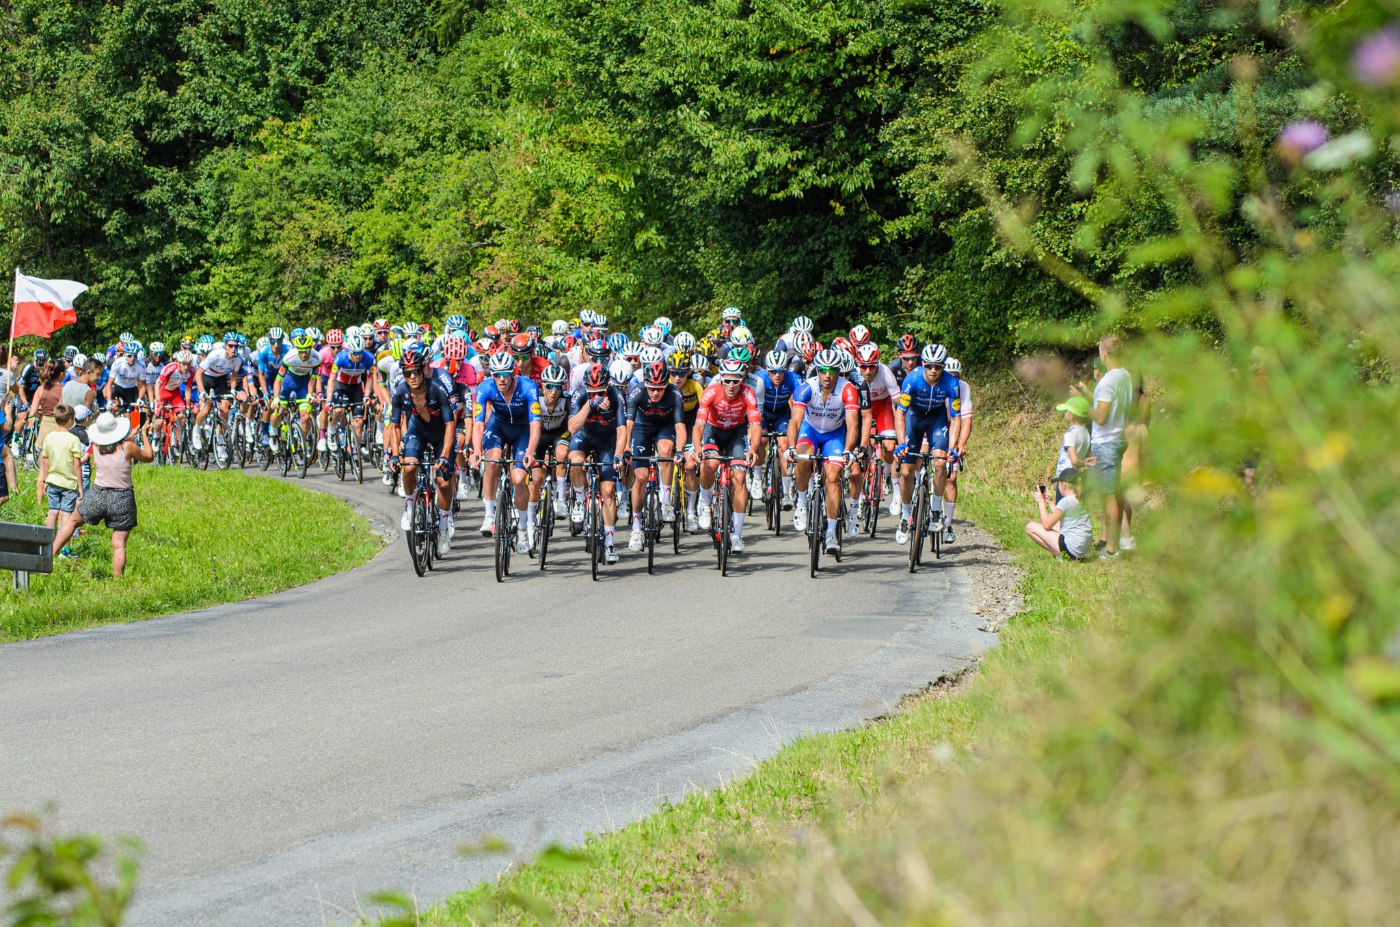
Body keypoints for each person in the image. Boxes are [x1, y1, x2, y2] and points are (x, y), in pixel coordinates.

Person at [51, 412, 155, 577]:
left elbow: (114, 444)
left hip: (98, 494)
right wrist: (143, 434)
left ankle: (48, 558)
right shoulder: (128, 447)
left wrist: (129, 437)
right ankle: (118, 581)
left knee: (71, 523)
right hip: (122, 498)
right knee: (119, 545)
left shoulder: (96, 445)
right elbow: (149, 457)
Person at [1071, 335, 1133, 558]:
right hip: (1117, 439)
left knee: (1109, 498)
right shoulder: (1125, 376)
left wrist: (1081, 402)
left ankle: (1112, 550)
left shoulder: (1107, 381)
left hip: (1105, 443)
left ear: (1104, 354)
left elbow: (1100, 417)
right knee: (1113, 496)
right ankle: (1113, 547)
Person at [1026, 469, 1093, 561]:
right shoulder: (1079, 499)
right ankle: (1067, 556)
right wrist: (1050, 502)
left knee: (1030, 527)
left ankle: (1062, 556)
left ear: (1064, 484)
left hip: (1072, 549)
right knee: (1048, 517)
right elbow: (1059, 516)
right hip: (1082, 549)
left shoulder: (1066, 501)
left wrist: (1041, 502)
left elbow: (1046, 525)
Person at [37, 404, 84, 533]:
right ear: (70, 421)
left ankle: (48, 545)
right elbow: (77, 465)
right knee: (65, 514)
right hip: (69, 483)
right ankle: (65, 548)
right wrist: (80, 486)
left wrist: (46, 480)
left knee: (52, 512)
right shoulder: (74, 439)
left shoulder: (49, 437)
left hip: (52, 480)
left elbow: (45, 461)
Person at [1049, 395, 1092, 500]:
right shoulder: (1085, 432)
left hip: (1067, 477)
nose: (1065, 413)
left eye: (1067, 410)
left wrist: (1083, 463)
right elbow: (1089, 455)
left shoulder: (1070, 433)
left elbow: (1074, 460)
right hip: (1079, 476)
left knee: (1062, 508)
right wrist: (1086, 465)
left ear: (1072, 415)